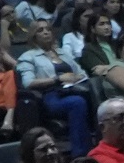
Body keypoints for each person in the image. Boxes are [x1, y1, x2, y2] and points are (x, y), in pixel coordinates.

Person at [14, 20, 93, 154]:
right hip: (50, 96)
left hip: (74, 89)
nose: (46, 32)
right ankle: (80, 153)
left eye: (48, 29)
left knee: (97, 98)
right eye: (40, 30)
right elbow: (28, 83)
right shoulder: (28, 57)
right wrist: (57, 79)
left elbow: (81, 73)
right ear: (34, 36)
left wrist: (76, 78)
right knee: (77, 103)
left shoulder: (63, 53)